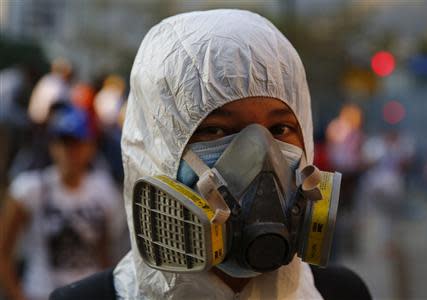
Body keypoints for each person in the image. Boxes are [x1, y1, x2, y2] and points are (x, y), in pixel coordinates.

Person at [50, 9, 371, 300]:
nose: (264, 156)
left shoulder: (342, 294)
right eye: (217, 131)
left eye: (279, 129)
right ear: (157, 151)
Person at [0, 104, 125, 300]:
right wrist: (17, 296)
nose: (69, 151)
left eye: (76, 143)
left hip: (87, 292)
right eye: (62, 142)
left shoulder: (104, 191)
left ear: (90, 146)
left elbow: (106, 251)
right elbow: (3, 252)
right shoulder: (29, 190)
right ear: (52, 146)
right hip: (40, 292)